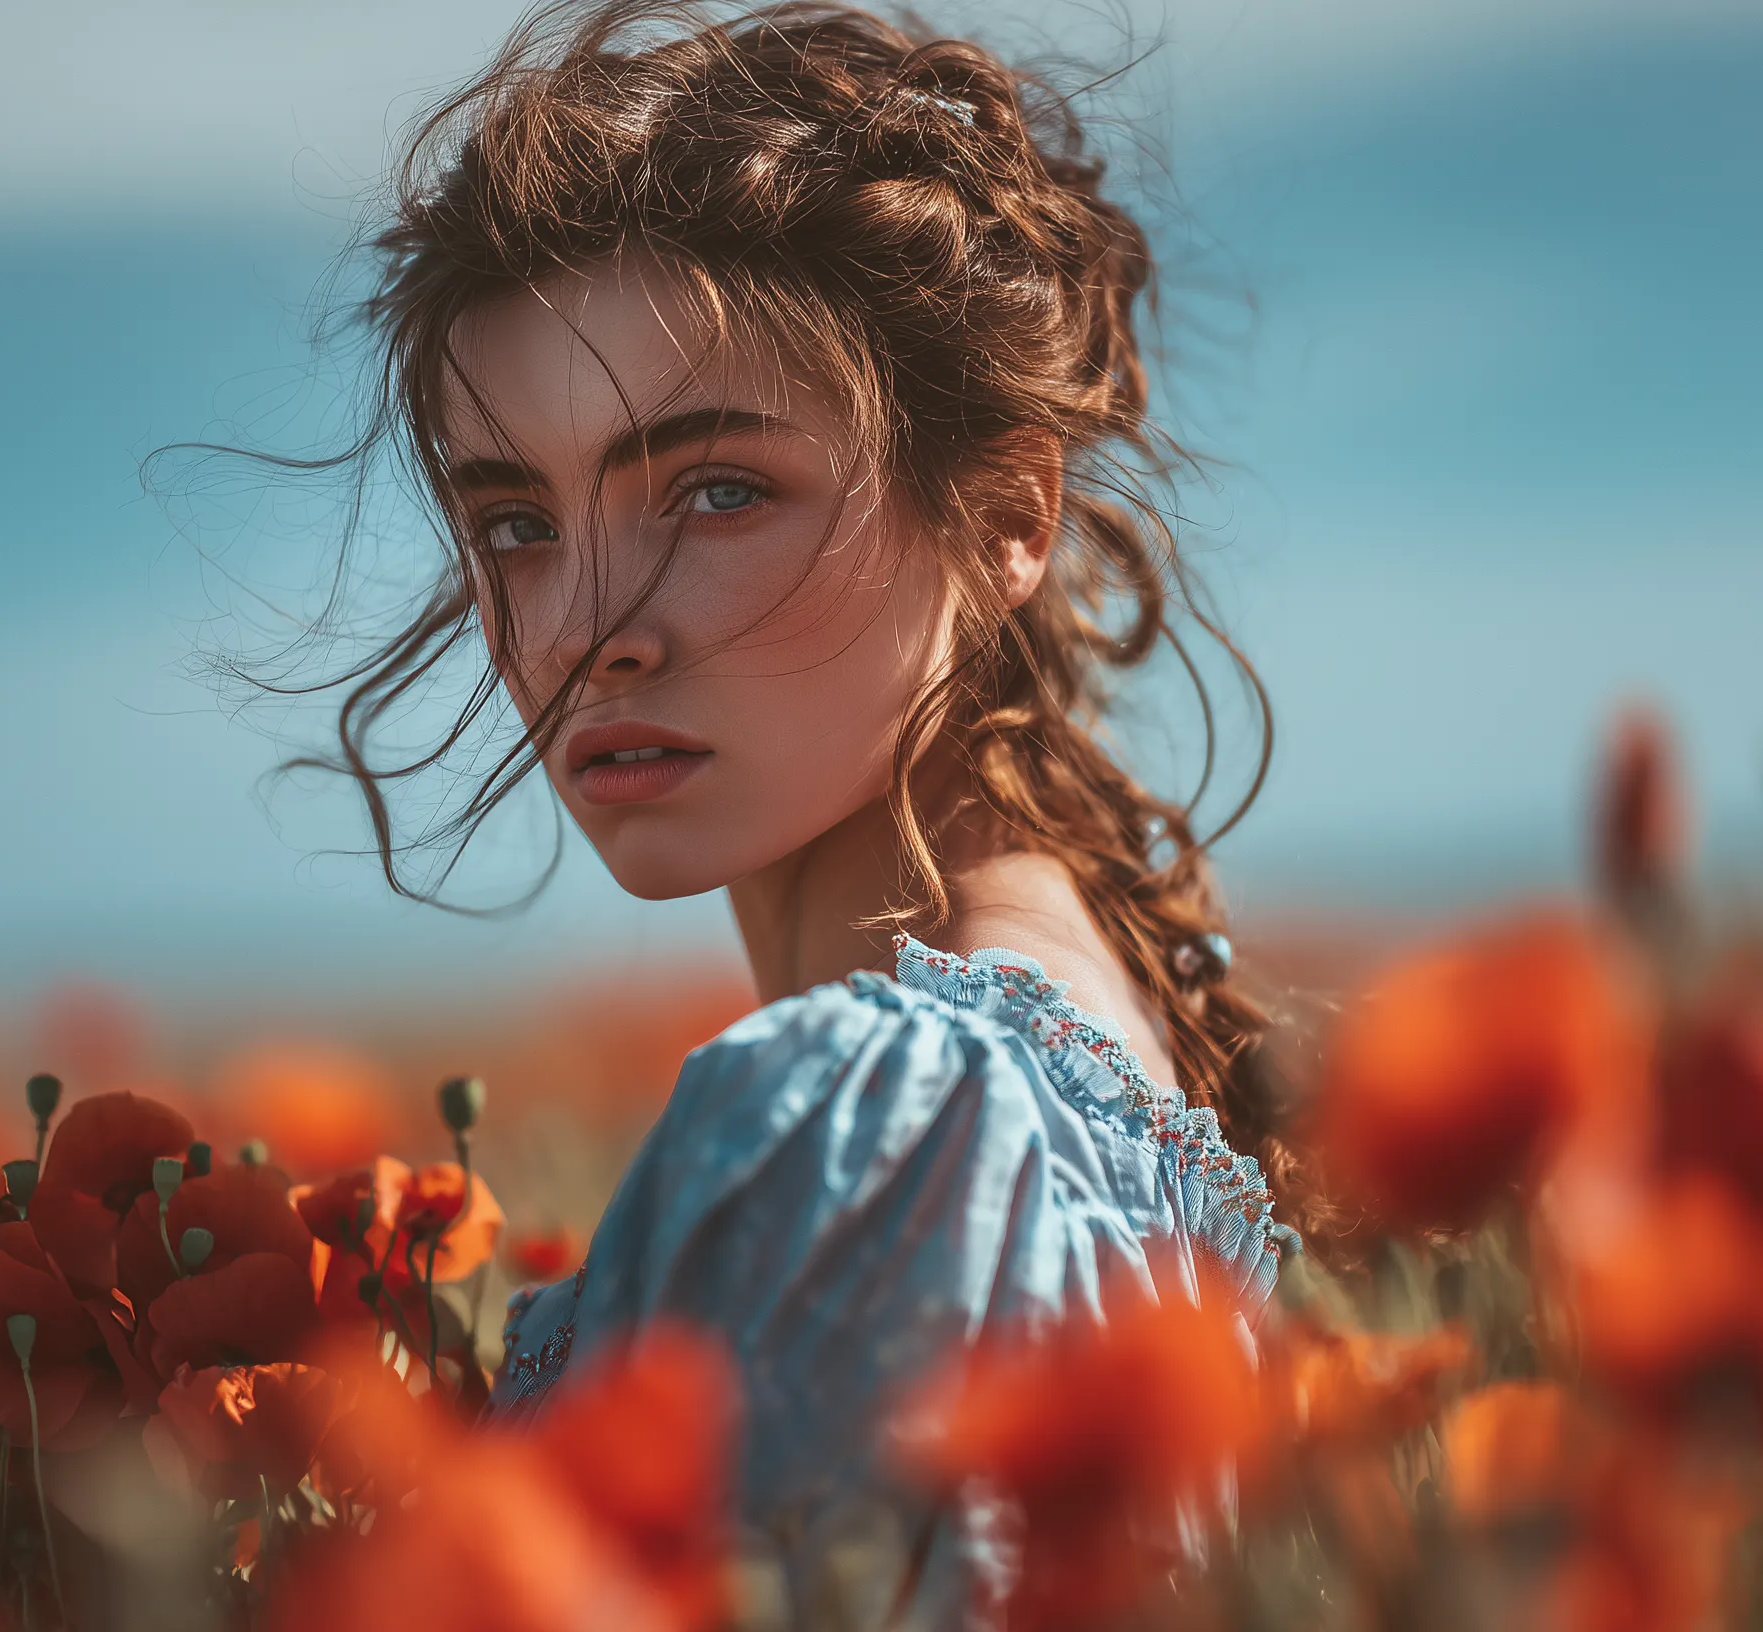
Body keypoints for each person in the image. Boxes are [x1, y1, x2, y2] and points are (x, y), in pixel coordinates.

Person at [275, 0, 1300, 1616]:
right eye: (517, 520)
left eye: (718, 490)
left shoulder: (887, 1117)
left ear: (1012, 512)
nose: (584, 625)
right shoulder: (1029, 1059)